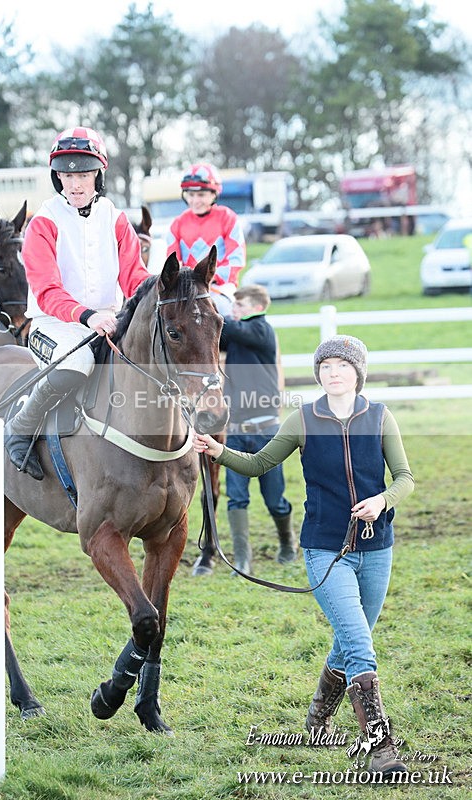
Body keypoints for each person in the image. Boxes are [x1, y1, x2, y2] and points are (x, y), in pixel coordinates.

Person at [193, 335, 414, 779]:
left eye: (342, 366)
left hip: (377, 546)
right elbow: (259, 464)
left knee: (350, 641)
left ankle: (317, 717)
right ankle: (381, 745)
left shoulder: (380, 416)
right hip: (324, 548)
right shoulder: (303, 420)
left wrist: (383, 501)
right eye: (325, 366)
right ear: (318, 374)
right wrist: (219, 451)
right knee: (360, 644)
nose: (333, 373)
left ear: (357, 372)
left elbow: (405, 478)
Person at [4, 126, 150, 480]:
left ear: (98, 175)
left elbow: (135, 277)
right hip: (53, 326)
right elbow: (46, 290)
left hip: (107, 322)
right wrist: (87, 316)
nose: (76, 184)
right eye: (67, 175)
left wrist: (164, 294)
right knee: (79, 364)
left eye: (83, 174)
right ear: (58, 179)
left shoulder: (115, 218)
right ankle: (21, 430)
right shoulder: (43, 222)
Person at [218, 284, 296, 576]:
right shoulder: (237, 336)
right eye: (234, 307)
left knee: (274, 498)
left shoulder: (262, 330)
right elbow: (219, 334)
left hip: (266, 432)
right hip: (236, 430)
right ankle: (242, 558)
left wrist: (213, 304)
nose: (234, 312)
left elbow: (231, 327)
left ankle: (287, 542)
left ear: (257, 308)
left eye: (240, 306)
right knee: (237, 497)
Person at [166, 163, 245, 316]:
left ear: (214, 194)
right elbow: (173, 262)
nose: (195, 200)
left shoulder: (228, 218)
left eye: (201, 195)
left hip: (220, 287)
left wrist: (207, 278)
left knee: (220, 310)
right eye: (190, 195)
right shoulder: (177, 224)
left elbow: (236, 260)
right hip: (187, 288)